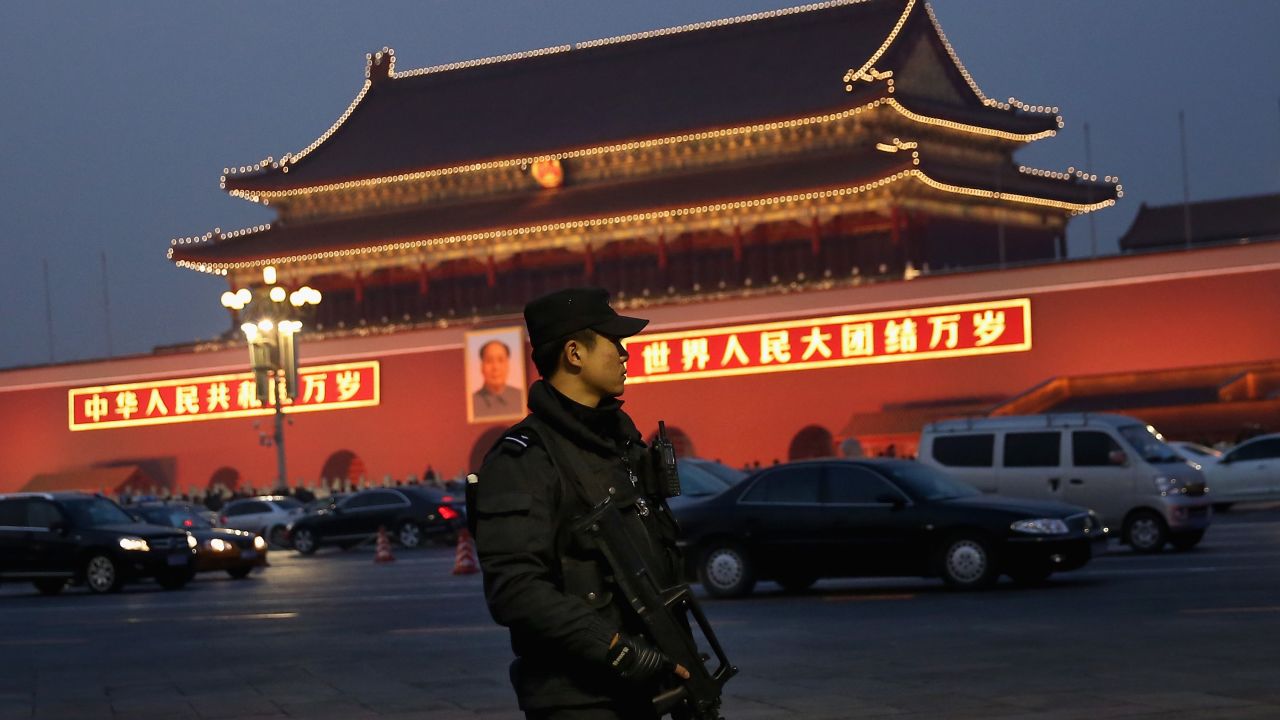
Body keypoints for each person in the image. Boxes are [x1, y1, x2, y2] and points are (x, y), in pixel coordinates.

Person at [469, 288, 692, 720]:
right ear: (574, 353)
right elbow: (515, 589)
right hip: (577, 699)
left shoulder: (618, 447)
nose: (625, 353)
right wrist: (618, 650)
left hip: (645, 689)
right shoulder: (524, 459)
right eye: (613, 341)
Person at [472, 339, 525, 419]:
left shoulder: (521, 398)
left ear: (507, 365)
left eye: (501, 360)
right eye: (489, 361)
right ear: (481, 366)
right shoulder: (472, 402)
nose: (495, 367)